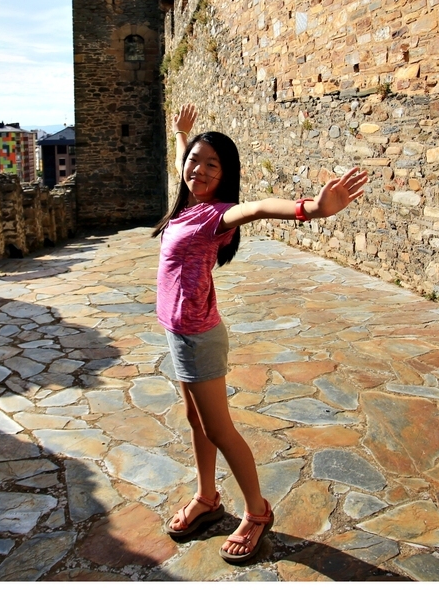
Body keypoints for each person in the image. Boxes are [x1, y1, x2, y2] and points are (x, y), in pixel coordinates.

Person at [152, 103, 369, 564]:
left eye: (213, 164)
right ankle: (207, 497)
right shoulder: (190, 201)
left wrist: (311, 208)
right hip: (178, 333)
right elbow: (183, 165)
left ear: (226, 175)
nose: (200, 169)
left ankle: (256, 511)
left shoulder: (217, 215)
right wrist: (183, 135)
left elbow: (258, 209)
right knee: (196, 422)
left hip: (199, 337)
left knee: (220, 429)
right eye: (197, 160)